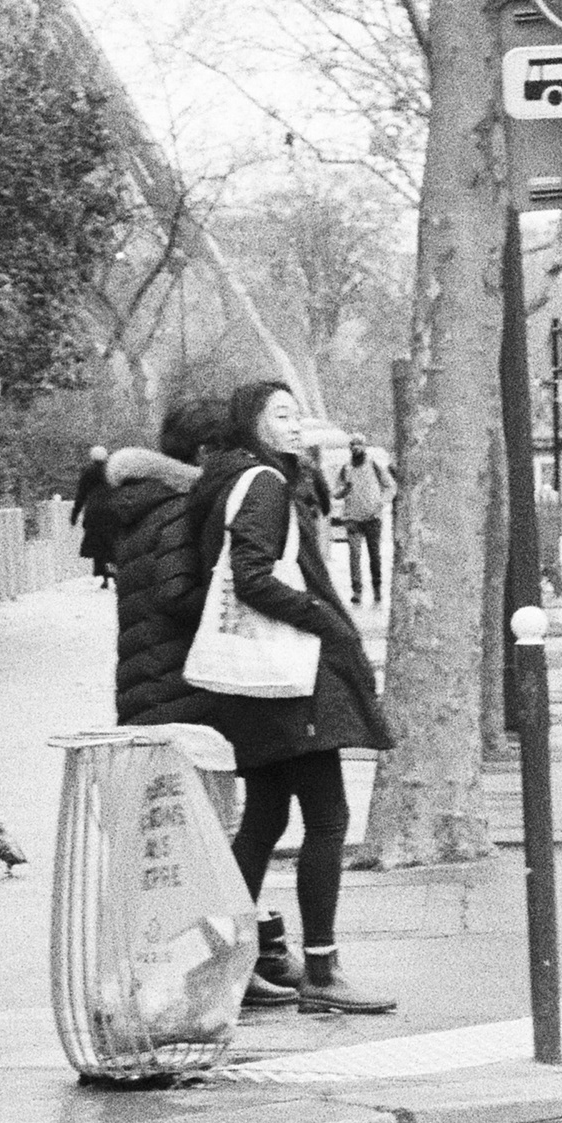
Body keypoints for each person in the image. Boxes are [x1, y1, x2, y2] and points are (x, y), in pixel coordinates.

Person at [185, 380, 398, 1016]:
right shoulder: (266, 484)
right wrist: (321, 617)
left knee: (265, 818)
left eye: (296, 413)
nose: (295, 424)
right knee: (328, 818)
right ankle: (322, 971)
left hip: (256, 682)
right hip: (288, 678)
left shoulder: (227, 481)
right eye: (281, 414)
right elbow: (251, 577)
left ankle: (227, 958)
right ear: (251, 423)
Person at [82, 404, 304, 1006]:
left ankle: (234, 957)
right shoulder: (180, 507)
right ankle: (221, 968)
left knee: (188, 841)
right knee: (205, 840)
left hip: (149, 688)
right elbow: (178, 595)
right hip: (182, 693)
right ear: (205, 455)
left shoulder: (141, 505)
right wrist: (235, 597)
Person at [333, 439, 396, 606]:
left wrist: (381, 503)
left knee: (374, 555)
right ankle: (357, 591)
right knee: (354, 555)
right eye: (352, 445)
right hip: (352, 518)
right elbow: (335, 492)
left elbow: (390, 486)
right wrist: (344, 490)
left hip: (372, 518)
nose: (356, 448)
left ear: (364, 447)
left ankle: (377, 589)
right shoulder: (346, 468)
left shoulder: (374, 465)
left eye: (359, 444)